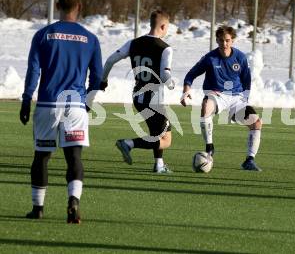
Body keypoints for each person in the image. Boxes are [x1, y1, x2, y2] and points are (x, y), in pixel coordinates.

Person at [20, 0, 103, 223]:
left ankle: (38, 208)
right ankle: (73, 200)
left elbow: (34, 69)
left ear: (58, 5)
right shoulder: (91, 38)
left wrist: (26, 99)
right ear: (79, 8)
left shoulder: (44, 35)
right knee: (74, 157)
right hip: (75, 105)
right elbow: (96, 77)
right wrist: (87, 101)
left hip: (47, 103)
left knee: (42, 156)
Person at [100, 10, 174, 173]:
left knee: (156, 132)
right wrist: (171, 83)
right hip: (154, 99)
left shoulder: (133, 43)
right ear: (163, 26)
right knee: (166, 139)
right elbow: (164, 73)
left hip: (138, 97)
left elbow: (110, 60)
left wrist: (103, 80)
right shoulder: (165, 48)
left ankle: (159, 165)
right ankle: (128, 143)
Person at [181, 25, 262, 171]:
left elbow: (246, 81)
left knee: (256, 123)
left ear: (233, 40)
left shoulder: (240, 58)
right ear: (217, 40)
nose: (224, 44)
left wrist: (245, 99)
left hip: (236, 98)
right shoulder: (210, 58)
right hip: (216, 95)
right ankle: (210, 148)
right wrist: (186, 90)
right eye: (220, 40)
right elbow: (191, 74)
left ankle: (249, 160)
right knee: (206, 106)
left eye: (227, 40)